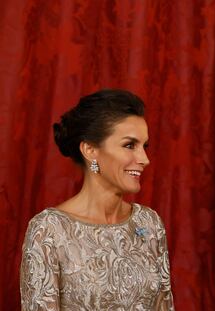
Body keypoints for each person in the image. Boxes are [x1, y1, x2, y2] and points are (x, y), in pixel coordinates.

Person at [20, 89, 174, 310]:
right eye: (130, 145)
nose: (144, 159)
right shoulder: (49, 231)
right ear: (90, 150)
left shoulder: (149, 224)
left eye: (144, 146)